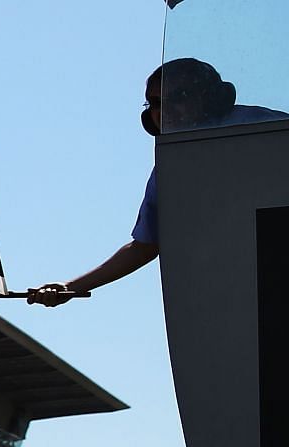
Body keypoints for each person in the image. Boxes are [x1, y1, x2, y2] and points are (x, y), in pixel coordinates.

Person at [31, 59, 288, 305]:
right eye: (156, 102)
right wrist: (70, 287)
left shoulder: (261, 128)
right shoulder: (170, 167)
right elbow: (145, 245)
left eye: (179, 97)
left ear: (210, 97)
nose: (165, 110)